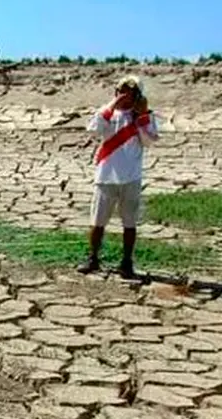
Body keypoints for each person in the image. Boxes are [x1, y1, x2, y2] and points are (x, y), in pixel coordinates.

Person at [77, 75, 159, 279]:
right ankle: (93, 258)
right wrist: (113, 104)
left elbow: (149, 141)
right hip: (105, 177)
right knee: (97, 222)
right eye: (121, 91)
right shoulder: (108, 113)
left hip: (131, 178)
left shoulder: (143, 117)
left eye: (130, 92)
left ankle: (126, 262)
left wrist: (142, 116)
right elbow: (94, 128)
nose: (125, 96)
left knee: (129, 223)